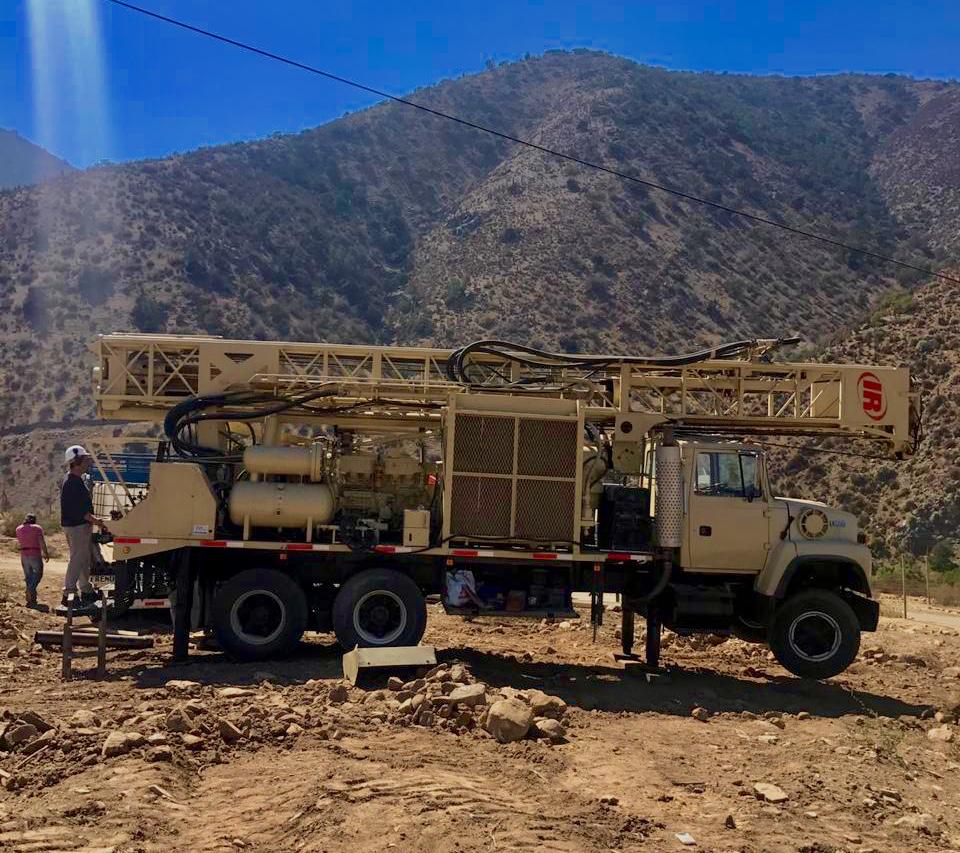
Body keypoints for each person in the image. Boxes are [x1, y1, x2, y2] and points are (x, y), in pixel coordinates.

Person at [60, 445, 108, 608]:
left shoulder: (74, 480)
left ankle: (86, 590)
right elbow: (81, 512)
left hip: (79, 526)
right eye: (85, 460)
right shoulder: (72, 483)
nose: (88, 462)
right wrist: (99, 522)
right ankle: (68, 593)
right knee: (77, 559)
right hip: (77, 527)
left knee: (83, 559)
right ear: (77, 461)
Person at [14, 513, 49, 606]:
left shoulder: (18, 528)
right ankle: (30, 590)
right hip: (35, 553)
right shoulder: (37, 528)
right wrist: (46, 553)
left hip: (23, 555)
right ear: (34, 520)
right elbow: (41, 541)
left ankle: (31, 599)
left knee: (28, 577)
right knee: (38, 574)